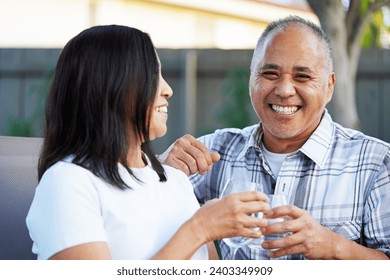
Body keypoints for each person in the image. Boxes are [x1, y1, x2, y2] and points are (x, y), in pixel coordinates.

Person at [25, 25, 270, 260]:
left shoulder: (176, 180)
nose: (168, 89)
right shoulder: (68, 183)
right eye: (153, 75)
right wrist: (200, 228)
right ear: (110, 87)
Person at [161, 15, 390, 260]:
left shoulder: (376, 163)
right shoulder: (215, 153)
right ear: (252, 78)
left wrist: (334, 246)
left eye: (302, 76)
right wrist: (159, 167)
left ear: (329, 86)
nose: (284, 90)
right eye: (270, 73)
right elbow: (135, 209)